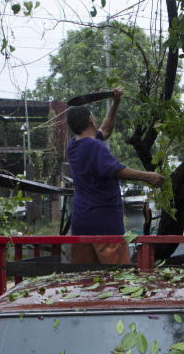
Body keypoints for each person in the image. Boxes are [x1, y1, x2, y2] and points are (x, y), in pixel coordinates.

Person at [65, 87, 164, 264]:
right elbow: (116, 170)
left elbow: (106, 130)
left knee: (84, 277)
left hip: (81, 222)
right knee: (116, 277)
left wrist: (115, 103)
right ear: (90, 119)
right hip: (104, 223)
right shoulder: (96, 147)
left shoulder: (73, 145)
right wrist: (147, 176)